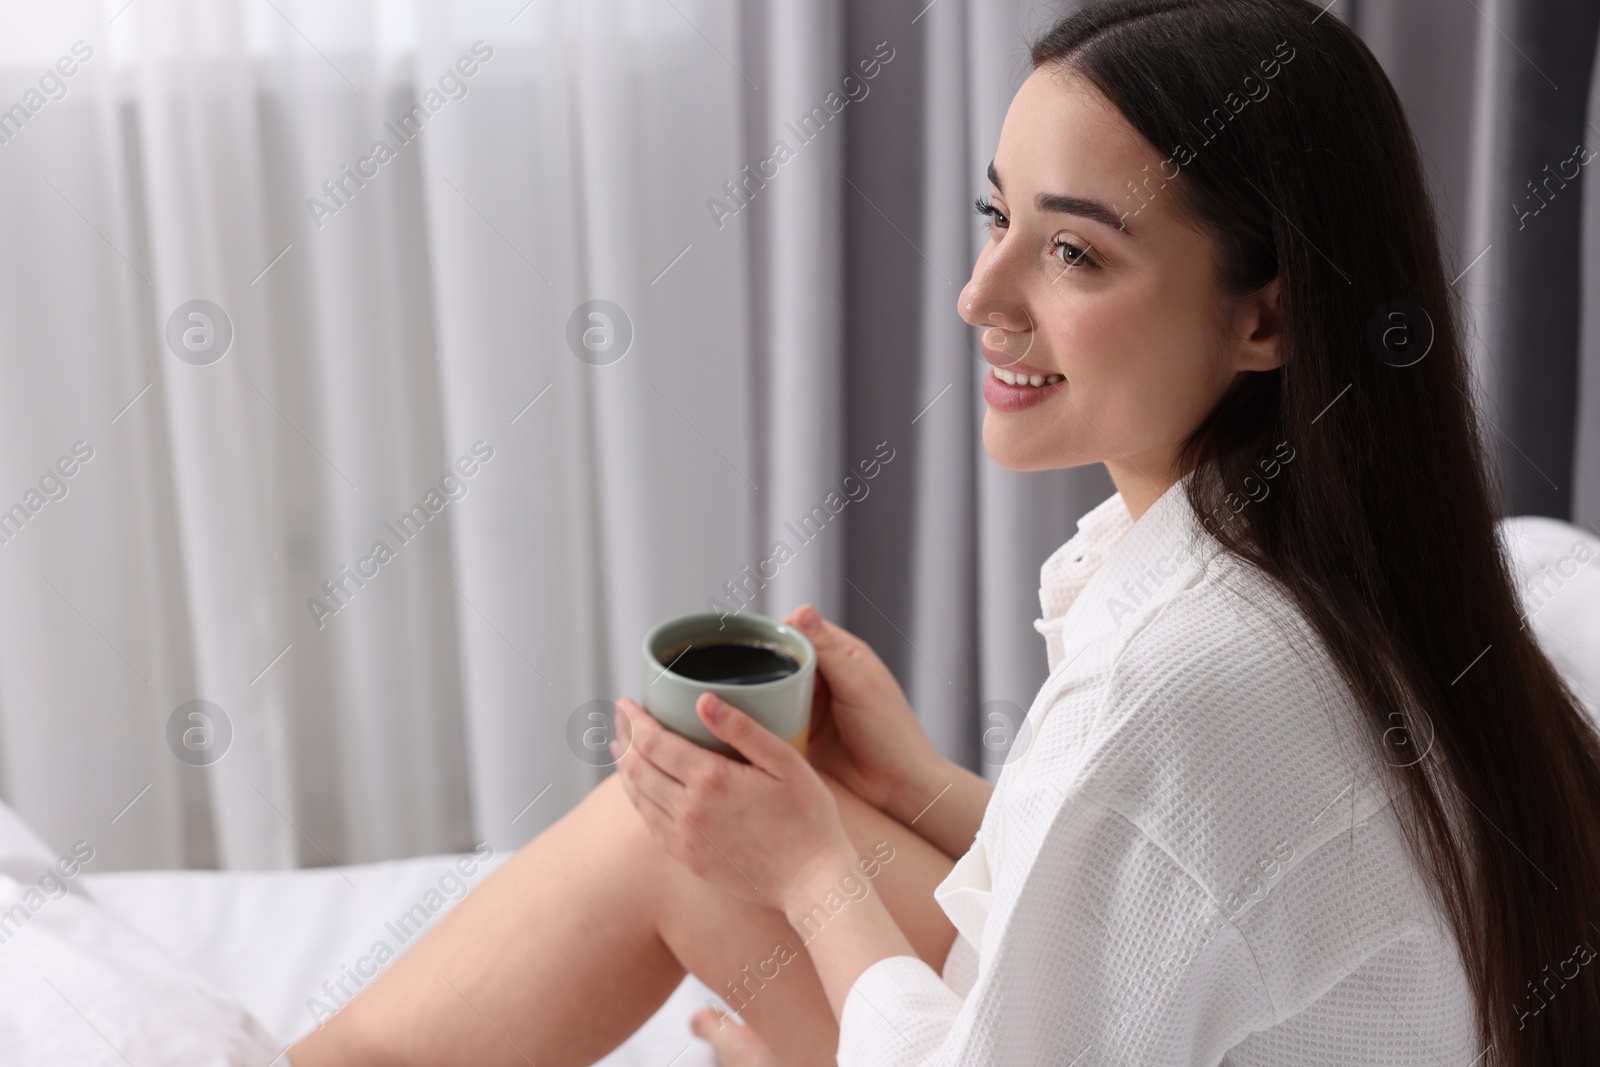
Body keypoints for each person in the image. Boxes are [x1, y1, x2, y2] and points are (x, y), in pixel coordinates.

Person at [289, 0, 1600, 1063]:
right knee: (711, 817)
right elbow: (1172, 907)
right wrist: (909, 789)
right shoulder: (1358, 565)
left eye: (1075, 254)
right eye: (997, 217)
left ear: (1268, 319)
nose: (982, 294)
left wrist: (810, 866)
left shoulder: (1191, 676)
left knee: (681, 833)